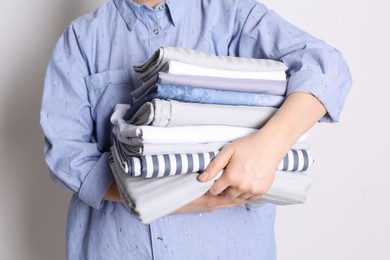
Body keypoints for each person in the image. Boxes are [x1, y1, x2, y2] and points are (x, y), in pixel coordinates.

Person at [40, 0, 352, 259]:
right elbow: (66, 155)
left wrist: (268, 147)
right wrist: (169, 197)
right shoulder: (81, 39)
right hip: (116, 247)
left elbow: (325, 65)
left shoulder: (234, 16)